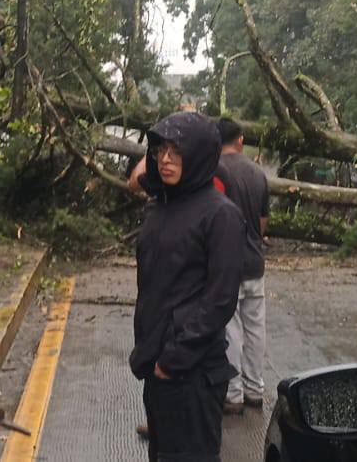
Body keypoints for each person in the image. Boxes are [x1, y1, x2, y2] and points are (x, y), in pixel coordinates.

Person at [130, 112, 246, 462]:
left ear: (197, 155)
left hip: (191, 371)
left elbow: (220, 299)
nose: (165, 159)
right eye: (160, 149)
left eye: (177, 151)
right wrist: (154, 358)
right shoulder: (162, 207)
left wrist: (174, 358)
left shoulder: (220, 215)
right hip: (158, 366)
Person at [212, 118, 269, 415]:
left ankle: (232, 395)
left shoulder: (216, 171)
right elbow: (262, 222)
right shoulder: (258, 173)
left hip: (228, 264)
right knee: (255, 329)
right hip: (254, 262)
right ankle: (255, 390)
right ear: (241, 140)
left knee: (231, 329)